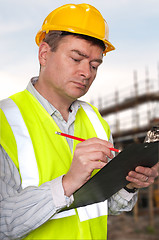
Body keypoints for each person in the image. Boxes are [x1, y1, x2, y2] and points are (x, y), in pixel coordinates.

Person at [0, 3, 158, 240]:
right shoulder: (5, 120)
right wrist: (66, 184)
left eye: (95, 65)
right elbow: (4, 223)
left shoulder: (95, 120)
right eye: (76, 59)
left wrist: (130, 184)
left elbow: (112, 205)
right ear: (44, 54)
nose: (87, 72)